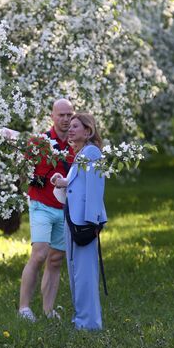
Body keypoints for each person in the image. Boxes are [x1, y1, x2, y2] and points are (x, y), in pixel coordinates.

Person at [17, 99, 75, 322]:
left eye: (69, 114)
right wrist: (41, 178)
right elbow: (24, 174)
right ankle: (24, 308)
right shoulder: (40, 142)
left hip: (65, 209)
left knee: (55, 259)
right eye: (61, 115)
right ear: (52, 116)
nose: (66, 119)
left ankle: (48, 311)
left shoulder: (76, 143)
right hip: (41, 205)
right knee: (40, 253)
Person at [53, 112, 107, 330]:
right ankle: (80, 320)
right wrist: (62, 181)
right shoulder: (80, 154)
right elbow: (78, 184)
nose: (71, 129)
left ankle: (89, 324)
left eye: (76, 126)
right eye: (70, 126)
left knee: (85, 275)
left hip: (84, 224)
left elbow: (95, 189)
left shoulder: (92, 152)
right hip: (72, 219)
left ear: (88, 131)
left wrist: (92, 224)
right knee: (76, 272)